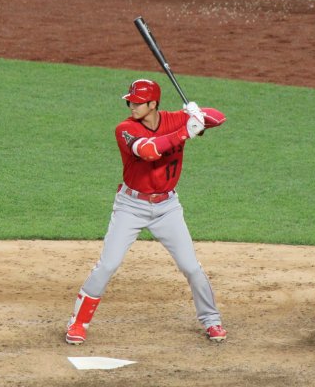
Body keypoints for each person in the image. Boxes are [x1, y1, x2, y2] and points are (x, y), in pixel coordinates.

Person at [65, 79, 227, 345]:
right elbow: (148, 150)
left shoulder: (175, 119)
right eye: (130, 101)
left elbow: (219, 118)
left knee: (191, 267)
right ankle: (78, 323)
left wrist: (197, 114)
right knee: (107, 265)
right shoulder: (125, 129)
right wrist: (187, 130)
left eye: (138, 102)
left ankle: (212, 320)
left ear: (153, 104)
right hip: (131, 206)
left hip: (167, 208)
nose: (132, 106)